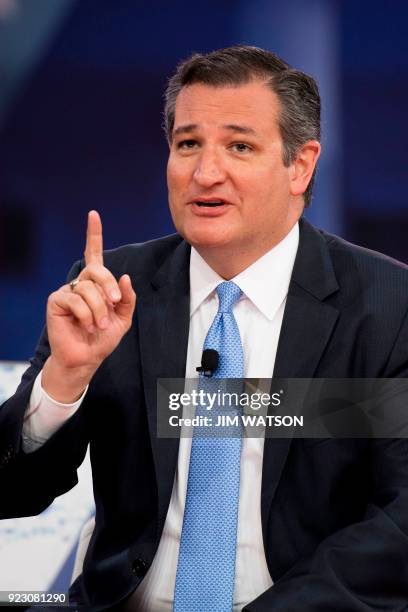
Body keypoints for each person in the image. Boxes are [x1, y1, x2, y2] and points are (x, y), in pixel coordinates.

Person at [1, 45, 408, 611]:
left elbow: (398, 523)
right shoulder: (114, 289)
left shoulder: (389, 305)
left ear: (301, 165)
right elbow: (11, 491)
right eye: (187, 143)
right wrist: (65, 378)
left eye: (239, 146)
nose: (205, 172)